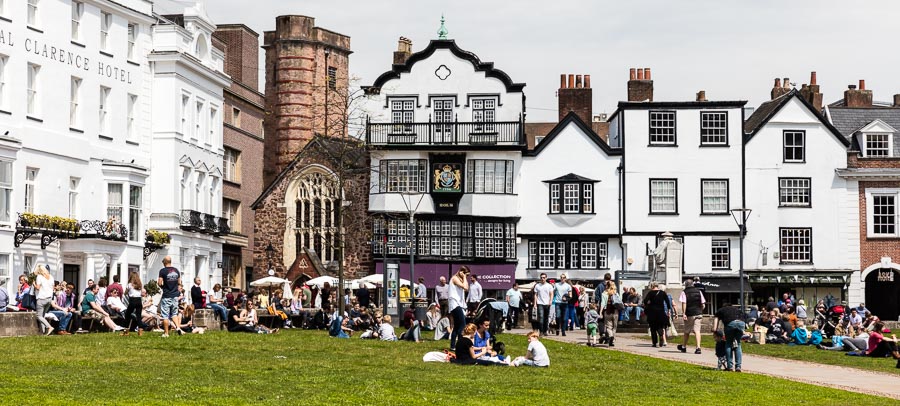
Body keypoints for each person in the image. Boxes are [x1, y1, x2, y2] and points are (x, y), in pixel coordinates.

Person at [713, 301, 746, 372]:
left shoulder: (721, 310)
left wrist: (714, 330)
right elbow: (744, 317)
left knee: (728, 343)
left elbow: (716, 319)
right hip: (741, 323)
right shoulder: (737, 309)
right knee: (738, 344)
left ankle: (730, 366)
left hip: (730, 323)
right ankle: (738, 367)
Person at [678, 279, 706, 355]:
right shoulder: (699, 291)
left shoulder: (684, 292)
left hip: (690, 313)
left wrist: (684, 313)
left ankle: (684, 347)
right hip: (698, 313)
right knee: (697, 331)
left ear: (686, 285)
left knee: (687, 331)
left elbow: (684, 303)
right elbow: (703, 304)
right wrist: (700, 310)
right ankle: (698, 348)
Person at [157, 256, 181, 338]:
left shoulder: (162, 271)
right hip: (175, 295)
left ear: (164, 262)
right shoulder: (176, 270)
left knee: (165, 315)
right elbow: (179, 282)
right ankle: (178, 327)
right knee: (174, 313)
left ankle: (166, 333)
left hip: (167, 295)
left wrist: (163, 287)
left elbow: (159, 283)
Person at [643, 282, 672, 348]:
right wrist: (669, 310)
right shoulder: (662, 293)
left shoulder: (650, 293)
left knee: (653, 328)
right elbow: (667, 301)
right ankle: (661, 335)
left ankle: (654, 343)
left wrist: (649, 304)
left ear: (652, 286)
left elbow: (645, 301)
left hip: (652, 312)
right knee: (660, 326)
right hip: (661, 312)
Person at [448, 266, 470, 350]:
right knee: (462, 325)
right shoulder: (454, 278)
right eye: (466, 275)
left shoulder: (461, 280)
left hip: (458, 304)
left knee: (457, 326)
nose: (466, 277)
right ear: (461, 272)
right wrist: (464, 277)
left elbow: (467, 288)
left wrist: (464, 277)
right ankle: (460, 345)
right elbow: (465, 287)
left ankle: (453, 346)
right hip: (454, 304)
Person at [34, 265, 55, 335]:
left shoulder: (39, 277)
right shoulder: (51, 276)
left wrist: (33, 283)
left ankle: (49, 327)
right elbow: (53, 287)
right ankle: (43, 332)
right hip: (49, 299)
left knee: (38, 316)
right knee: (42, 316)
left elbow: (38, 288)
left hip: (41, 298)